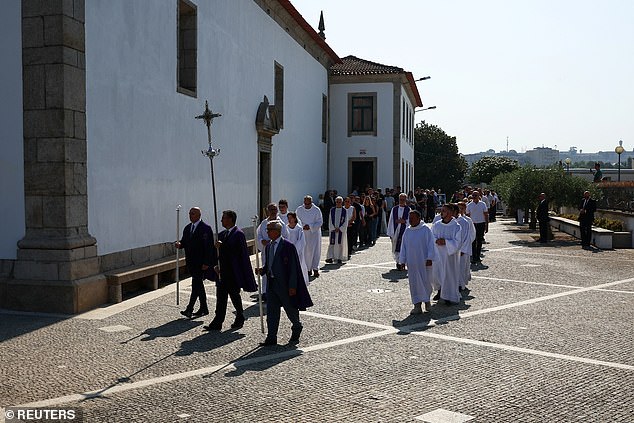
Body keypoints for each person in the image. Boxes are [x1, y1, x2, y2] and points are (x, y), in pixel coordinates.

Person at [256, 220, 313, 346]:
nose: (267, 232)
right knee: (272, 312)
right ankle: (271, 337)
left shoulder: (288, 246)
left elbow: (293, 268)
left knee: (290, 309)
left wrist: (292, 286)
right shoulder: (269, 246)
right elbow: (269, 263)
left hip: (285, 285)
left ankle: (297, 326)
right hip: (272, 284)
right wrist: (263, 270)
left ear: (276, 231)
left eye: (269, 230)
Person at [204, 210, 257, 331]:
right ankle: (218, 322)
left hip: (233, 272)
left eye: (224, 218)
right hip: (221, 272)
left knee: (234, 296)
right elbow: (217, 253)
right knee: (221, 298)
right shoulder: (222, 234)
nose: (221, 220)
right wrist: (215, 266)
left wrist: (222, 246)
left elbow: (237, 252)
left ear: (230, 219)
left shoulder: (238, 234)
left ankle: (240, 316)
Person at [176, 207, 216, 319]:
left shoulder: (206, 228)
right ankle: (204, 308)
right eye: (189, 213)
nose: (190, 215)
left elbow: (209, 247)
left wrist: (207, 262)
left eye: (193, 214)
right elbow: (184, 241)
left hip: (201, 262)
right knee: (198, 285)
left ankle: (190, 308)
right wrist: (179, 244)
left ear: (199, 215)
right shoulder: (187, 228)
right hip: (191, 262)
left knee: (196, 284)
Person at [399, 210, 436, 314]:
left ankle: (427, 302)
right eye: (409, 218)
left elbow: (431, 245)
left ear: (419, 218)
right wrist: (402, 261)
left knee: (426, 282)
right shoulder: (407, 231)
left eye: (412, 218)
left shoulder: (425, 230)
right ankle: (417, 305)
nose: (410, 220)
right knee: (414, 284)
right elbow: (404, 247)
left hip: (424, 262)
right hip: (412, 264)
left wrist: (430, 258)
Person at [256, 203, 289, 299]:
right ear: (268, 211)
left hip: (277, 253)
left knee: (277, 271)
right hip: (266, 252)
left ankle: (278, 292)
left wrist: (273, 242)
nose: (273, 211)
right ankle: (265, 292)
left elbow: (285, 237)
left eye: (275, 209)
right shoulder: (263, 223)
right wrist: (261, 241)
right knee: (265, 271)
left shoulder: (281, 224)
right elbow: (258, 235)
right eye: (271, 210)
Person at [431, 204, 462, 305]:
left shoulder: (456, 226)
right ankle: (440, 292)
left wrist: (446, 242)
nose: (441, 213)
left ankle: (449, 296)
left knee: (448, 275)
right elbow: (431, 236)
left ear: (449, 213)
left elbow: (458, 242)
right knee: (438, 273)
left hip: (449, 256)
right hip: (438, 254)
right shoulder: (437, 225)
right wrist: (436, 241)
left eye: (443, 211)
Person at [296, 195, 323, 277]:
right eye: (305, 203)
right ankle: (307, 269)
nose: (307, 205)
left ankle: (315, 268)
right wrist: (303, 225)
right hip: (303, 233)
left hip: (314, 234)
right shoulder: (299, 210)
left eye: (308, 203)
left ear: (311, 202)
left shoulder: (316, 210)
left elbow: (319, 221)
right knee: (304, 251)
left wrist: (310, 226)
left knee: (315, 251)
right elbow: (296, 220)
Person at [387, 193, 410, 270]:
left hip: (404, 231)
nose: (402, 201)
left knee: (403, 246)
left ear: (406, 200)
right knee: (396, 246)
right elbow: (390, 221)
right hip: (395, 230)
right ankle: (397, 262)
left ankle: (402, 262)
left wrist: (405, 221)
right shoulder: (394, 209)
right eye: (400, 199)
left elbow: (410, 221)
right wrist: (390, 233)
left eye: (403, 200)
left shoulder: (408, 209)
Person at [456, 202, 476, 291]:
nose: (460, 210)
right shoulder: (453, 220)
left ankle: (461, 283)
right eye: (458, 208)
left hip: (465, 247)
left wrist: (465, 246)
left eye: (461, 208)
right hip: (454, 248)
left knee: (463, 267)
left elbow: (471, 234)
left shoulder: (467, 220)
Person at [286, 211, 309, 286]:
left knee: (299, 266)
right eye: (288, 218)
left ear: (294, 218)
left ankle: (300, 282)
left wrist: (295, 249)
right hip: (288, 251)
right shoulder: (286, 228)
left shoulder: (299, 228)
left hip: (298, 252)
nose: (289, 219)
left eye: (291, 218)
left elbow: (301, 241)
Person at [466, 191, 489, 266]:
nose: (474, 196)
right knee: (473, 240)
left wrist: (486, 225)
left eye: (475, 195)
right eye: (473, 195)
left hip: (481, 224)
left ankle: (478, 256)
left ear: (479, 195)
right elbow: (468, 216)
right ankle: (473, 256)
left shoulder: (483, 204)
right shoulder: (469, 205)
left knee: (479, 240)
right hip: (472, 224)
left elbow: (486, 214)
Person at [326, 196, 349, 264]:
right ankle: (330, 257)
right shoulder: (332, 210)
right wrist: (333, 228)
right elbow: (330, 220)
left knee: (340, 244)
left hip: (341, 231)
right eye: (337, 202)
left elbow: (346, 221)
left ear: (342, 202)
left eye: (339, 202)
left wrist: (340, 228)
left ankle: (339, 258)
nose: (338, 203)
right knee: (331, 243)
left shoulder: (345, 211)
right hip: (333, 230)